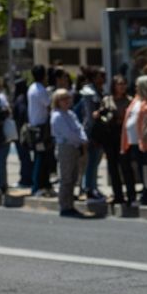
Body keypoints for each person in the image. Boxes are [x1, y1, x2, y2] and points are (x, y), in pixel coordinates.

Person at [121, 75, 147, 206]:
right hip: (134, 141)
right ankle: (146, 194)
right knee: (142, 169)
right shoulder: (136, 100)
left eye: (138, 86)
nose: (136, 88)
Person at [100, 75, 137, 206]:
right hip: (110, 136)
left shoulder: (129, 100)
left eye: (123, 84)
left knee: (126, 166)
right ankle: (118, 195)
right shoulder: (107, 99)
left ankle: (132, 196)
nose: (121, 87)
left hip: (124, 136)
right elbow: (102, 115)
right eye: (118, 84)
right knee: (113, 168)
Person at [51, 88, 88, 218]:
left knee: (73, 177)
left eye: (68, 98)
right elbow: (68, 134)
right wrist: (80, 140)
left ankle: (70, 204)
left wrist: (83, 139)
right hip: (65, 147)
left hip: (75, 147)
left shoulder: (70, 114)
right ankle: (64, 205)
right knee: (65, 177)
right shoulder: (57, 116)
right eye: (63, 99)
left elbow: (79, 128)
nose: (67, 101)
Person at [78, 66, 106, 200]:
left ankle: (92, 186)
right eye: (101, 76)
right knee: (91, 162)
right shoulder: (89, 93)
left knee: (95, 161)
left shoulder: (97, 91)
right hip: (92, 132)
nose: (103, 78)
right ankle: (89, 188)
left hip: (98, 132)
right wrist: (92, 135)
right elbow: (90, 117)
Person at [28, 64, 54, 196]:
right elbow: (50, 105)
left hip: (35, 127)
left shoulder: (32, 88)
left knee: (43, 157)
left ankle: (44, 185)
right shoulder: (40, 90)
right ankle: (37, 186)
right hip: (41, 128)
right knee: (41, 157)